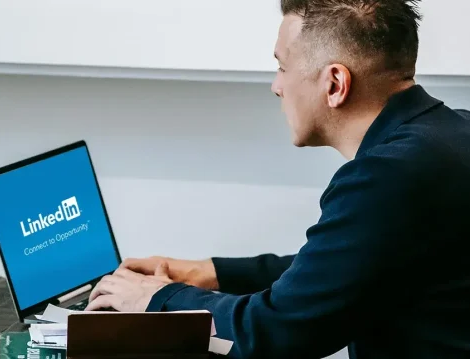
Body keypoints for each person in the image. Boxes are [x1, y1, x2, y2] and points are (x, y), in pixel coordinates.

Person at [85, 0, 470, 358]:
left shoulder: (385, 177)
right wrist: (211, 272)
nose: (277, 86)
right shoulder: (454, 132)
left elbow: (275, 331)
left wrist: (158, 298)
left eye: (283, 67)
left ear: (334, 84)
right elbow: (340, 270)